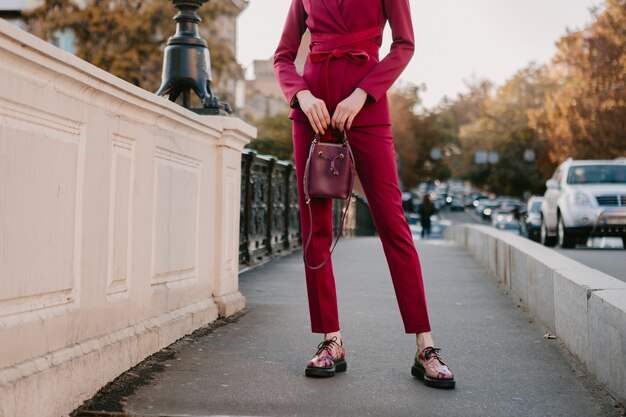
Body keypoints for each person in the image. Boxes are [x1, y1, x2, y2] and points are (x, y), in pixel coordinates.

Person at [274, 0, 455, 388]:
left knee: (393, 224)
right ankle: (330, 341)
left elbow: (404, 44)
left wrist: (363, 94)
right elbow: (283, 56)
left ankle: (425, 344)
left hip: (366, 108)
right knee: (314, 229)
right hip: (312, 112)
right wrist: (301, 96)